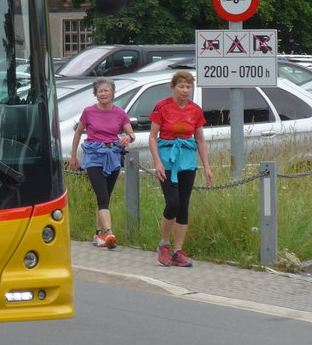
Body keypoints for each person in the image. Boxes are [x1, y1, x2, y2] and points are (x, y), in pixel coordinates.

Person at [148, 69, 212, 267]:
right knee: (172, 203)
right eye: (181, 86)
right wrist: (158, 162)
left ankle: (178, 251)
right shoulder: (162, 107)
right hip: (167, 160)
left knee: (183, 206)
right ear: (173, 88)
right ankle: (164, 244)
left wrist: (207, 167)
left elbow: (200, 140)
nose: (185, 90)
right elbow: (152, 137)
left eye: (188, 86)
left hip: (187, 161)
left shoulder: (195, 109)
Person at [68, 77, 133, 248]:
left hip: (112, 156)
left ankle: (98, 235)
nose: (103, 93)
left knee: (104, 198)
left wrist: (128, 137)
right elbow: (77, 134)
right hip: (94, 156)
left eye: (106, 90)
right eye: (100, 91)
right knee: (102, 195)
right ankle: (110, 233)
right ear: (95, 95)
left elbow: (131, 134)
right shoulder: (89, 112)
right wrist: (74, 156)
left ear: (112, 93)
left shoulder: (120, 113)